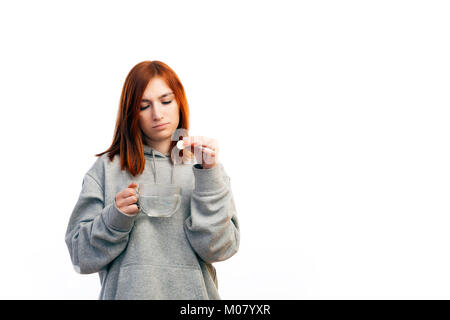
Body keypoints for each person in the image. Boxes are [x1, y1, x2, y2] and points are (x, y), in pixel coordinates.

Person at [64, 60, 240, 300]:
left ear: (180, 102)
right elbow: (79, 257)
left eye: (166, 101)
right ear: (130, 112)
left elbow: (220, 249)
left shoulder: (204, 168)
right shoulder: (106, 169)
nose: (158, 114)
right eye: (144, 106)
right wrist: (114, 218)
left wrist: (208, 177)